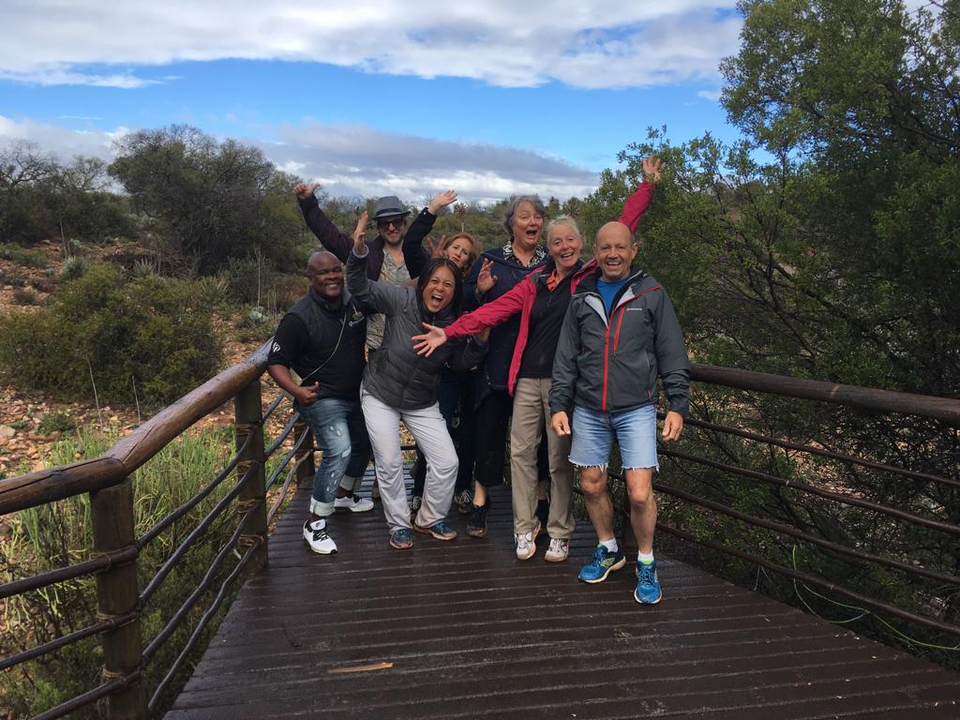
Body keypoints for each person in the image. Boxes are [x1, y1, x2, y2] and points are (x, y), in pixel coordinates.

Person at [414, 157, 661, 562]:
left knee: (560, 459)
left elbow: (623, 228)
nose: (565, 246)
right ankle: (524, 528)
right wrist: (450, 330)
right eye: (557, 241)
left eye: (571, 240)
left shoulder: (589, 276)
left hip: (567, 384)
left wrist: (645, 187)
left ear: (581, 246)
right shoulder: (533, 283)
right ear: (549, 247)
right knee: (521, 456)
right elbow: (490, 312)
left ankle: (561, 532)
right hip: (527, 379)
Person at [549, 220, 690, 605]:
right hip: (590, 408)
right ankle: (609, 548)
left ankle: (646, 561)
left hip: (637, 408)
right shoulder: (582, 294)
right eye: (605, 248)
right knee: (592, 485)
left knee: (640, 493)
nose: (613, 254)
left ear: (633, 250)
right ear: (596, 252)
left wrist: (678, 403)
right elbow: (566, 356)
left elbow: (671, 352)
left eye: (620, 247)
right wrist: (558, 404)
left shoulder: (652, 292)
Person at [347, 212, 488, 550]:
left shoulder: (454, 324)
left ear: (455, 292)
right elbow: (359, 287)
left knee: (447, 461)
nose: (439, 289)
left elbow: (458, 362)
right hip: (381, 391)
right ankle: (398, 524)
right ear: (424, 283)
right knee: (391, 460)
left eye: (448, 285)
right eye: (435, 282)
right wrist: (358, 253)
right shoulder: (402, 300)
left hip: (421, 399)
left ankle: (428, 517)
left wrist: (480, 341)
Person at [293, 183, 437, 498]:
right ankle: (382, 480)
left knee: (422, 416)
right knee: (380, 416)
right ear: (377, 226)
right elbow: (328, 236)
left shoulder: (419, 254)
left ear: (404, 221)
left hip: (419, 348)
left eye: (396, 220)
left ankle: (420, 477)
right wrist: (308, 202)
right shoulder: (368, 252)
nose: (391, 226)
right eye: (385, 222)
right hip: (378, 345)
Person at [267, 251, 374, 555]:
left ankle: (343, 495)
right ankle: (315, 524)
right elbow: (276, 361)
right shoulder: (298, 318)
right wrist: (296, 392)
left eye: (336, 270)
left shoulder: (353, 304)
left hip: (356, 393)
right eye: (323, 273)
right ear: (310, 278)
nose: (332, 277)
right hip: (322, 397)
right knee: (339, 450)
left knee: (364, 444)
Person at [460, 195, 549, 538]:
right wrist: (480, 292)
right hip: (496, 363)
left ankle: (541, 501)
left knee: (538, 442)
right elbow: (465, 303)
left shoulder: (553, 262)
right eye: (525, 216)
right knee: (488, 432)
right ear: (512, 223)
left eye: (538, 216)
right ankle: (481, 502)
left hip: (538, 365)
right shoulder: (491, 260)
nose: (533, 221)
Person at [404, 222, 480, 518]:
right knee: (437, 429)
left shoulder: (470, 288)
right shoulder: (430, 280)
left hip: (467, 368)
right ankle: (420, 489)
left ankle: (461, 487)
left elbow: (477, 310)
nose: (459, 254)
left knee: (467, 430)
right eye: (455, 248)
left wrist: (482, 291)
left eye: (465, 253)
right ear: (445, 249)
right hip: (437, 370)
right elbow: (412, 246)